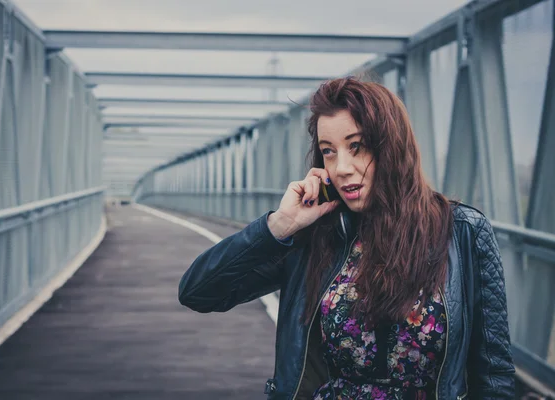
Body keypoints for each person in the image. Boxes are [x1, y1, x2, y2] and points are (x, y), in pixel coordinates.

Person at [178, 77, 515, 399]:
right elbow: (199, 292)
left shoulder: (463, 233)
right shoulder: (315, 238)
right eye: (329, 151)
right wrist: (279, 226)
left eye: (357, 147)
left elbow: (494, 374)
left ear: (392, 147)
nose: (341, 167)